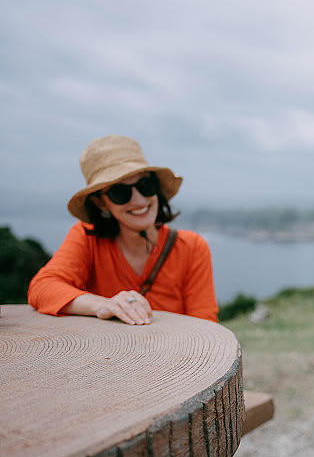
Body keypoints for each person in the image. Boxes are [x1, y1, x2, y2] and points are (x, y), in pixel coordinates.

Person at [28, 135, 218, 324]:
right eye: (120, 192)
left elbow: (205, 325)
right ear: (100, 202)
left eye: (145, 185)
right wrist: (101, 305)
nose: (138, 200)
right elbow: (42, 287)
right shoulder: (87, 237)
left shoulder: (191, 248)